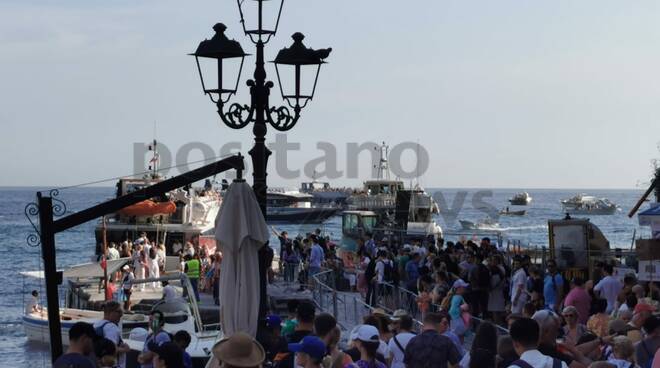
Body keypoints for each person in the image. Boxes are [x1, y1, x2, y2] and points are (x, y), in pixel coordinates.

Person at [94, 301, 131, 368]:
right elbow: (111, 349)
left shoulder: (97, 324)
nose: (121, 315)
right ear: (110, 312)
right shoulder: (111, 328)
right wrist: (125, 349)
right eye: (119, 312)